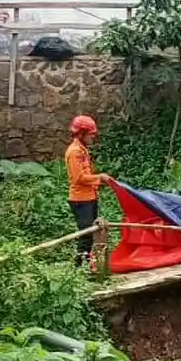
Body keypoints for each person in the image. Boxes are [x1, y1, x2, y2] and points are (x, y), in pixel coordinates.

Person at [64, 115, 111, 268]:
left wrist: (97, 182)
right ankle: (78, 269)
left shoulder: (82, 150)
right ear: (81, 133)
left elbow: (87, 176)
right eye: (91, 134)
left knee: (91, 234)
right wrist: (100, 178)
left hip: (89, 197)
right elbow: (79, 178)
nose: (93, 137)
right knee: (86, 234)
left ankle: (88, 265)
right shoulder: (74, 152)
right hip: (80, 199)